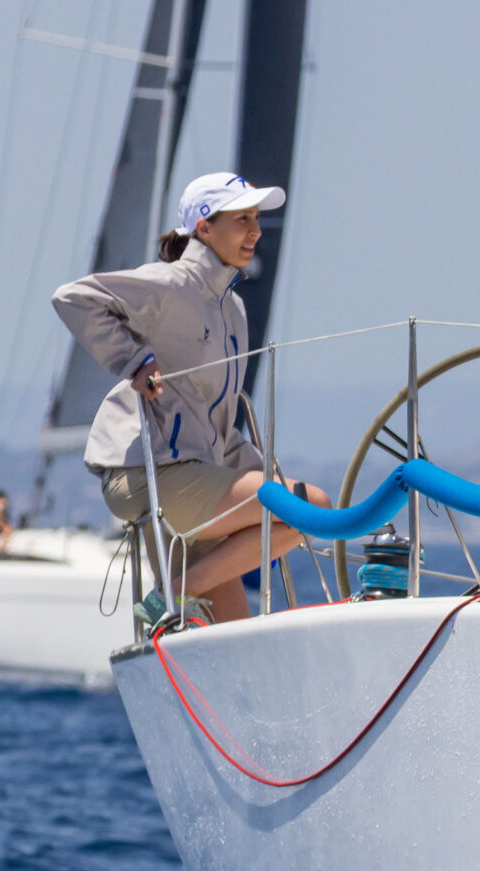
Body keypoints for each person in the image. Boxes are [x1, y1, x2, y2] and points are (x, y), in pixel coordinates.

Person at [51, 172, 329, 618]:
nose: (255, 231)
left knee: (235, 638)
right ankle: (173, 594)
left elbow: (216, 421)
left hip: (194, 476)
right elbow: (73, 297)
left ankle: (170, 606)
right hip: (149, 474)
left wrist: (259, 472)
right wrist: (134, 362)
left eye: (256, 219)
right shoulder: (172, 284)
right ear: (204, 227)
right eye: (242, 219)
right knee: (311, 506)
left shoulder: (233, 308)